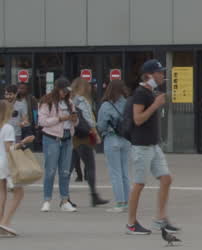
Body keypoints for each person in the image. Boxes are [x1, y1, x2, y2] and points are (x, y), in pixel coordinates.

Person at [127, 59, 178, 235]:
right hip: (141, 146)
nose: (163, 75)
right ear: (149, 75)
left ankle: (160, 219)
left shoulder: (151, 92)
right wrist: (156, 105)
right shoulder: (141, 93)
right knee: (139, 184)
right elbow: (138, 119)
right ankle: (131, 224)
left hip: (153, 145)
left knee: (166, 178)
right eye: (159, 72)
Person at [37, 77, 78, 212]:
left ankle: (65, 200)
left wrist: (74, 119)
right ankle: (46, 200)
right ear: (58, 89)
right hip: (52, 138)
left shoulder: (70, 102)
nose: (65, 93)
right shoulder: (47, 102)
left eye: (67, 91)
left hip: (67, 137)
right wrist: (60, 118)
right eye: (64, 90)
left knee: (65, 172)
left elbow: (75, 123)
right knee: (50, 170)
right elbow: (42, 121)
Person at [69, 77, 108, 207]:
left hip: (73, 136)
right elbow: (89, 119)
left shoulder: (70, 100)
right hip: (84, 137)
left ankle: (65, 197)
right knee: (90, 166)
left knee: (68, 168)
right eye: (89, 86)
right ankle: (94, 196)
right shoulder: (83, 100)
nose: (91, 88)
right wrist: (95, 134)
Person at [96, 80, 133, 212]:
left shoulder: (106, 105)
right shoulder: (128, 103)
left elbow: (101, 126)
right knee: (124, 172)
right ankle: (128, 202)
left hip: (112, 139)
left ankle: (120, 203)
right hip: (126, 140)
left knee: (115, 172)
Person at [0, 98, 35, 236]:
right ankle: (5, 222)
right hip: (5, 162)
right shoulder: (7, 127)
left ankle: (2, 222)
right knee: (18, 193)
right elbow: (9, 148)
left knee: (2, 192)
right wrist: (24, 142)